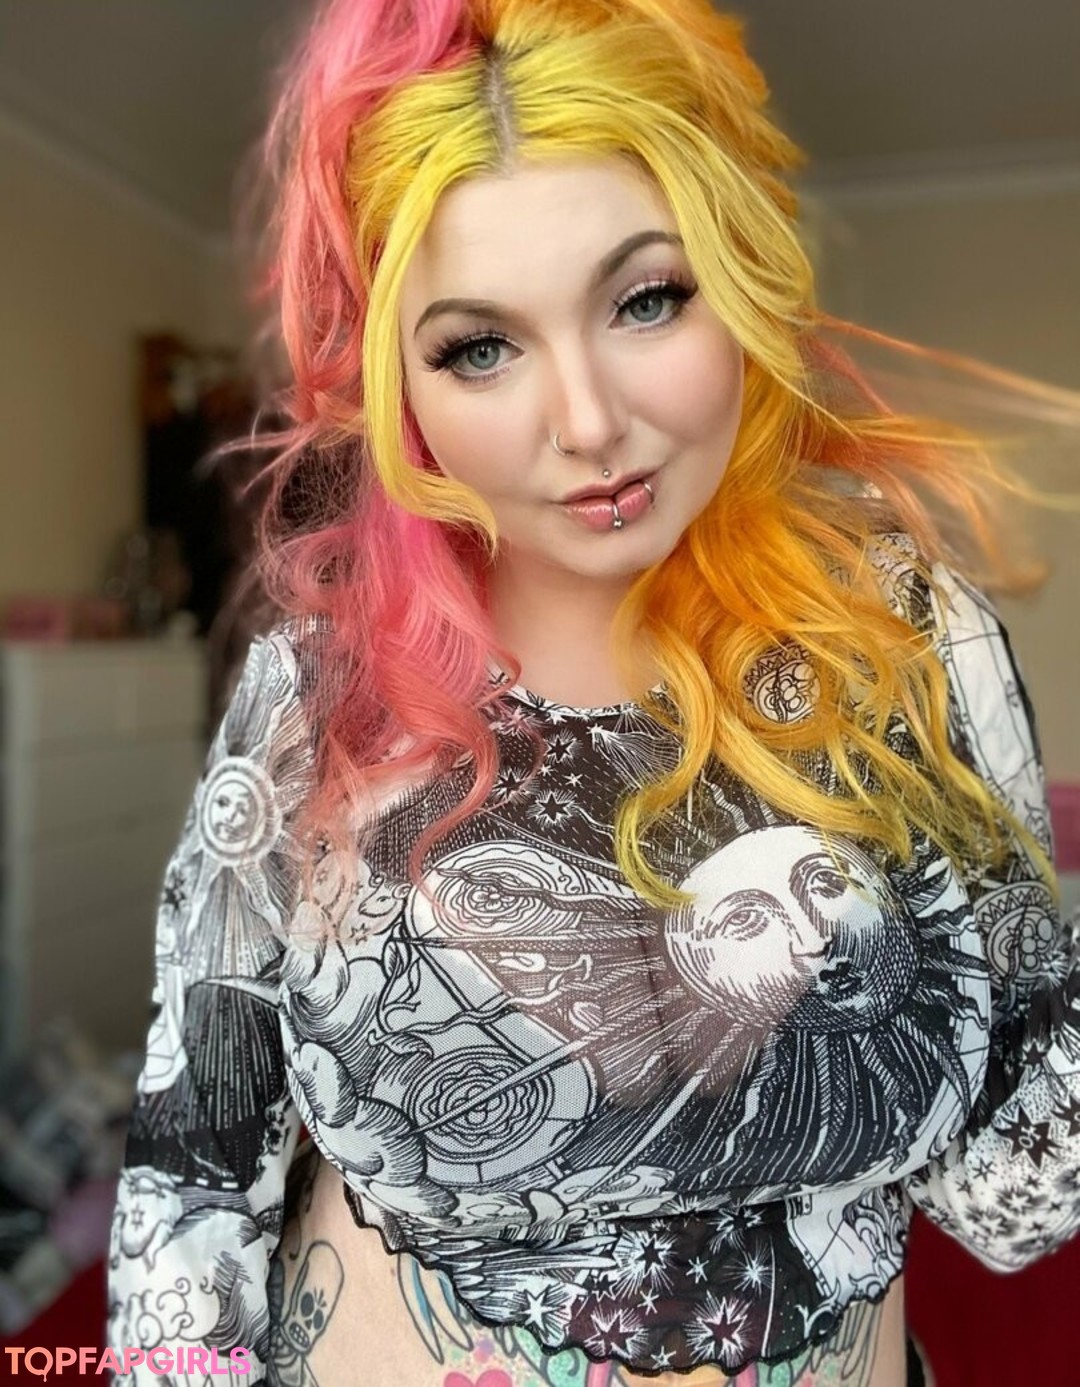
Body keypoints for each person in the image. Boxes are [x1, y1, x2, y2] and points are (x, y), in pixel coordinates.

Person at [105, 0, 1080, 1383]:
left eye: (645, 299)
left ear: (738, 275)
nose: (587, 422)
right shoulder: (316, 703)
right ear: (400, 385)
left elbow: (1014, 1191)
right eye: (480, 347)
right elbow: (190, 1194)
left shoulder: (903, 640)